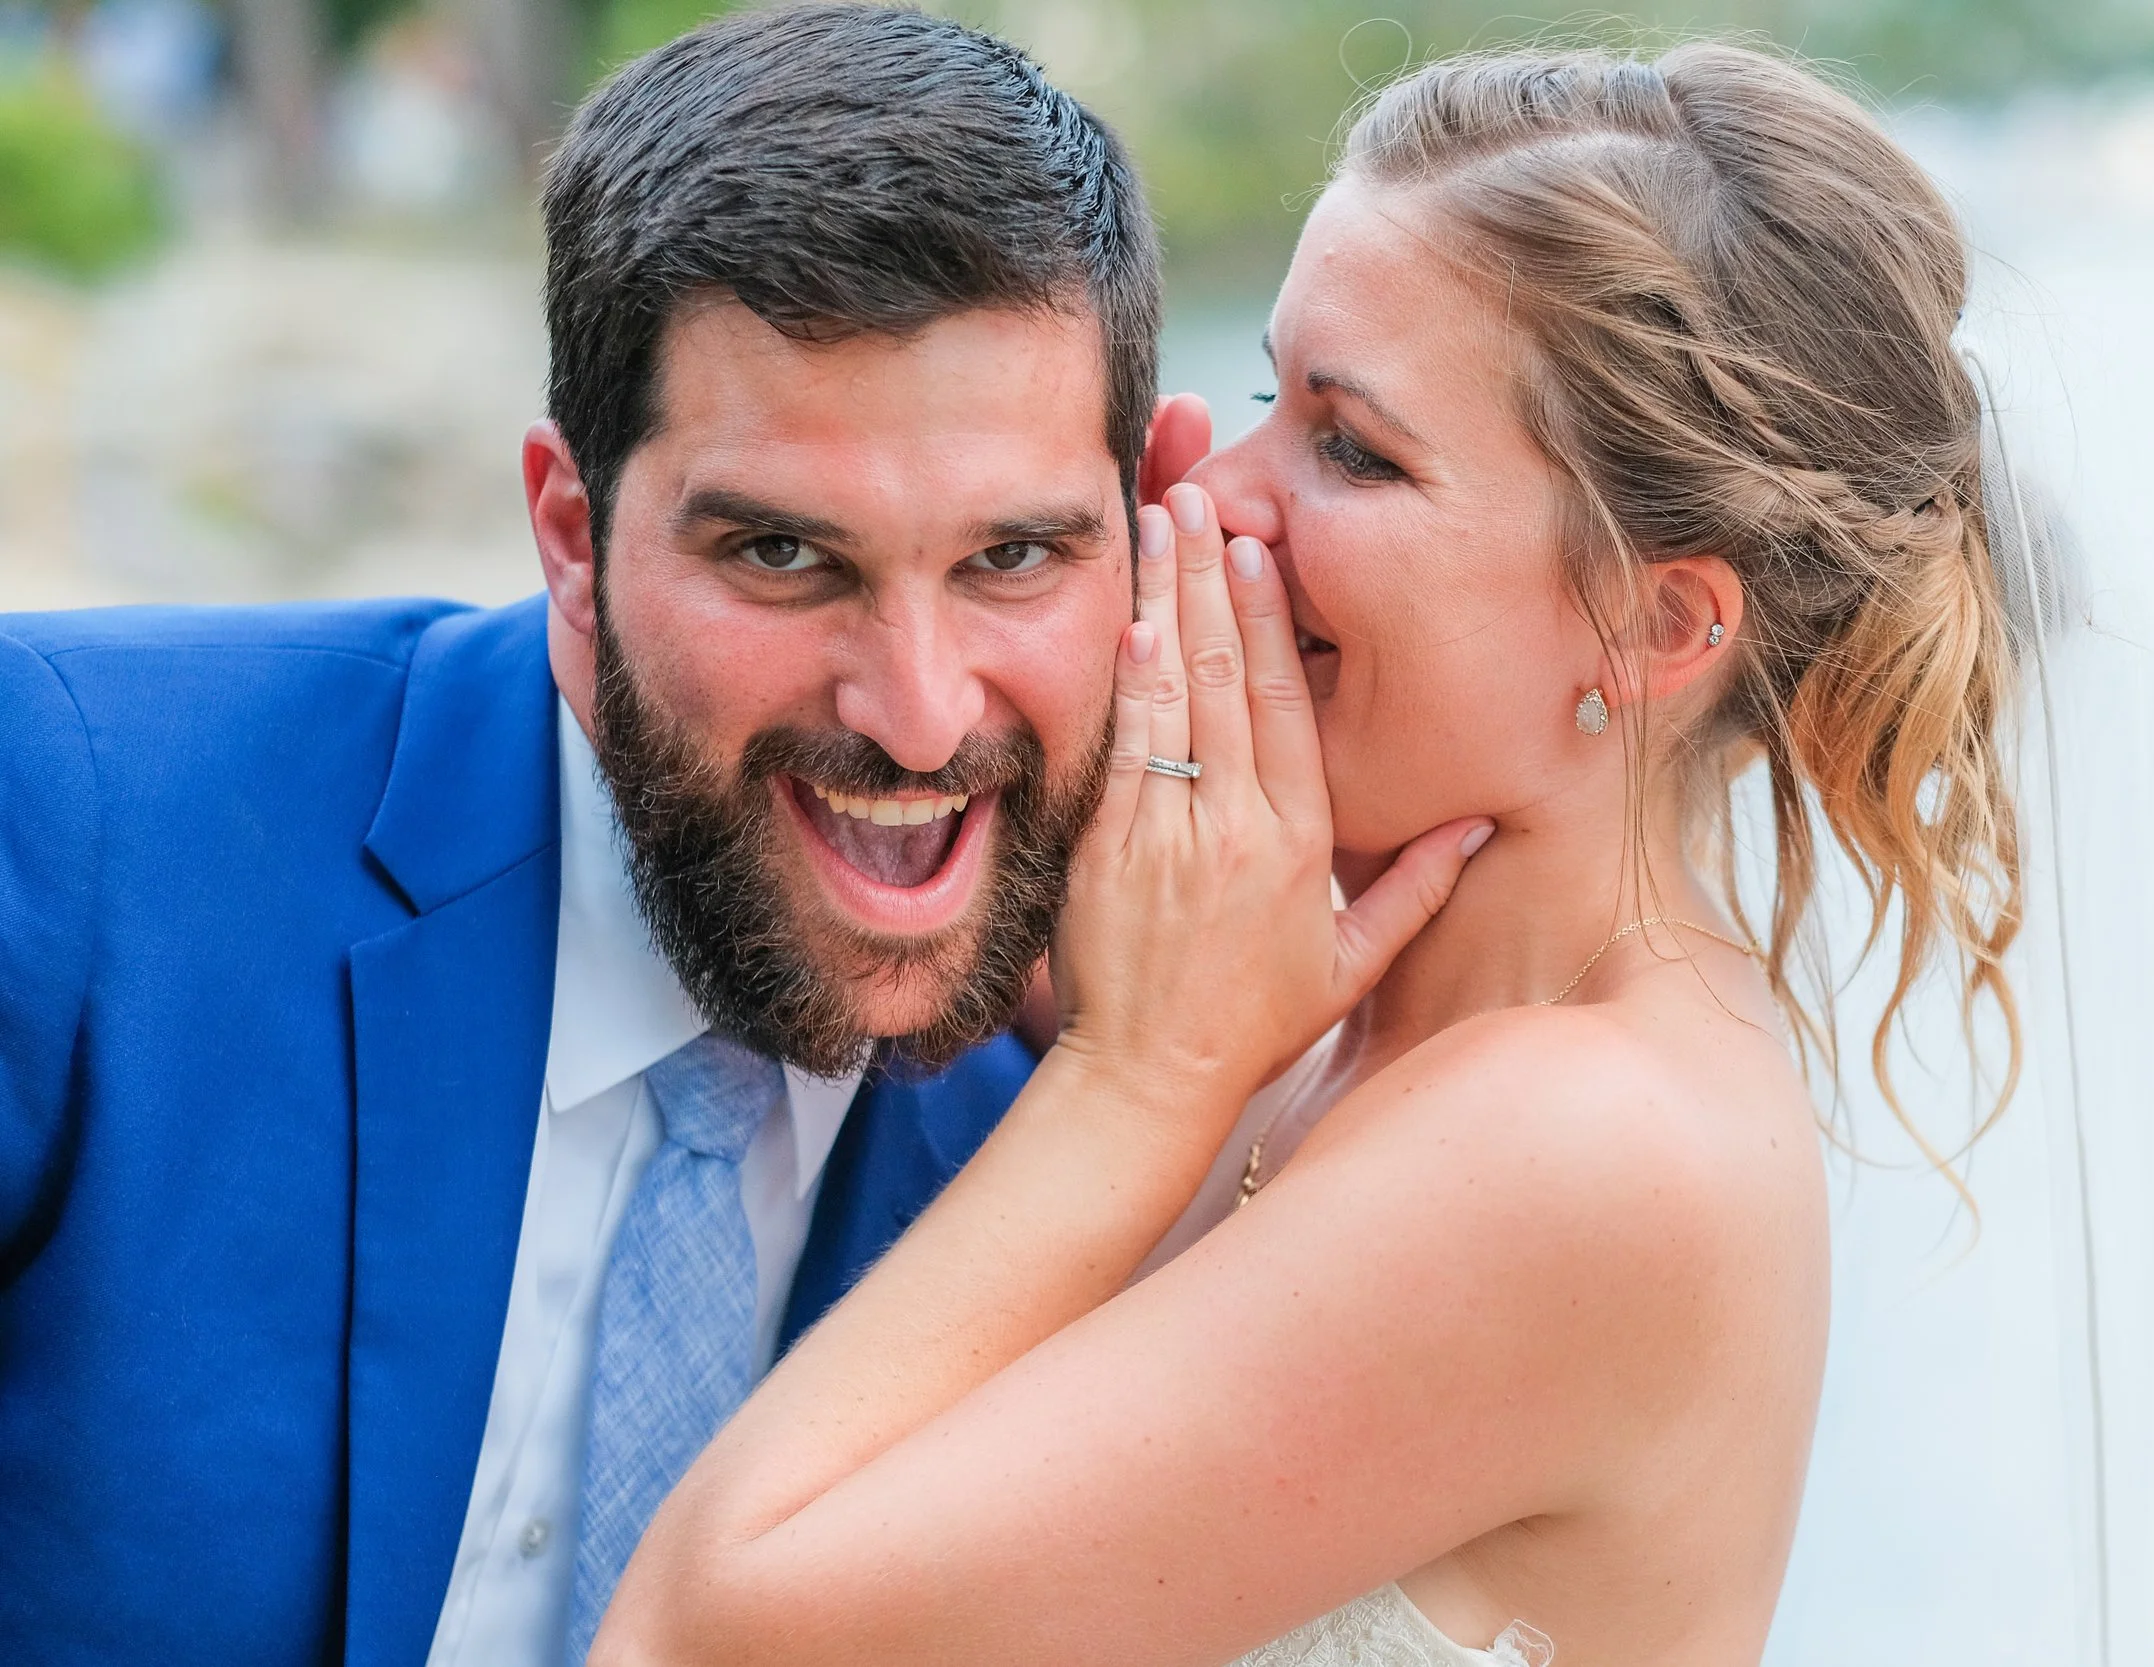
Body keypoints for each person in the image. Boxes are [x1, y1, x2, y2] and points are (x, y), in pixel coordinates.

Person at [0, 12, 1464, 1667]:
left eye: (1012, 558)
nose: (919, 714)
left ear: (1146, 529)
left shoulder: (1121, 1127)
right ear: (572, 534)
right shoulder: (70, 820)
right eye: (783, 555)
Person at [596, 38, 2025, 1667]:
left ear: (1656, 624)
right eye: (1273, 397)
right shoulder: (1328, 1010)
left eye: (1352, 450)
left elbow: (692, 1640)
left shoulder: (1581, 1151)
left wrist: (1138, 1080)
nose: (1203, 499)